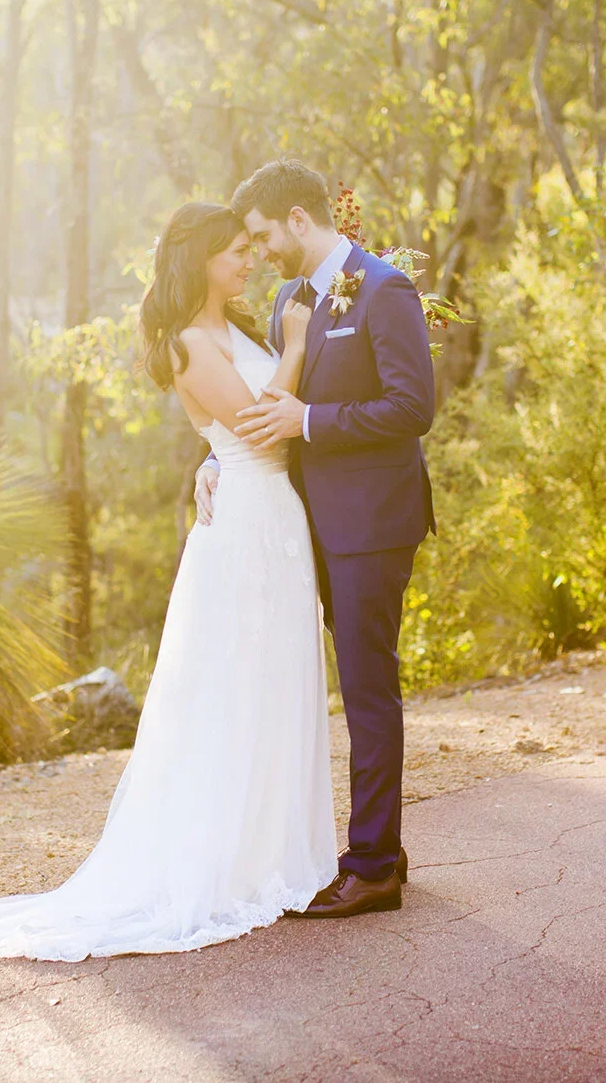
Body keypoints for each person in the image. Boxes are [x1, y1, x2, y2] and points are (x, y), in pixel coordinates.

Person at [0, 201, 333, 960]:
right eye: (234, 252)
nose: (248, 261)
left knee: (277, 679)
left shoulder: (233, 329)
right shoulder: (190, 341)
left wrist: (213, 454)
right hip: (247, 529)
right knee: (235, 684)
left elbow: (232, 434)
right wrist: (295, 345)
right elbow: (260, 421)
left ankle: (278, 853)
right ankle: (224, 864)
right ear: (199, 261)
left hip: (273, 515)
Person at [215, 157, 437, 919]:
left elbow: (413, 407)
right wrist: (217, 457)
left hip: (373, 525)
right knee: (345, 687)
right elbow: (268, 399)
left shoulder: (385, 289)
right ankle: (389, 848)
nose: (259, 251)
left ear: (299, 220)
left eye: (261, 234)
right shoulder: (287, 302)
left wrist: (309, 423)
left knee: (369, 689)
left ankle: (372, 865)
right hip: (303, 528)